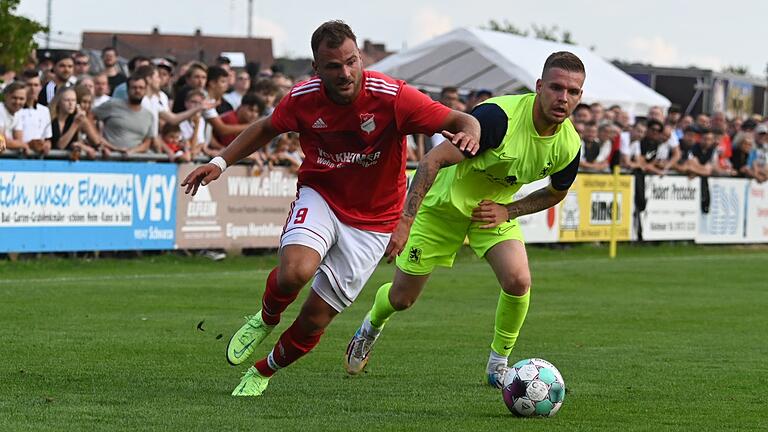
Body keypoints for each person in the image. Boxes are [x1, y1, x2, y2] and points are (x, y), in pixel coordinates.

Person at [181, 20, 480, 397]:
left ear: (360, 59)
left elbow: (461, 119)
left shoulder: (393, 96)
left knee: (313, 319)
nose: (346, 73)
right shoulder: (303, 98)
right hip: (321, 196)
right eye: (334, 66)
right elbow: (265, 127)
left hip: (374, 223)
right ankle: (266, 317)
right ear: (316, 68)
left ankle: (263, 370)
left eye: (351, 61)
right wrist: (219, 163)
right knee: (294, 273)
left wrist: (470, 134)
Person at [343, 51, 584, 390]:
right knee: (402, 299)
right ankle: (370, 326)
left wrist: (508, 210)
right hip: (441, 208)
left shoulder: (569, 145)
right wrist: (405, 220)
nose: (563, 98)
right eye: (557, 88)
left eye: (572, 92)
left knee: (518, 281)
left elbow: (556, 192)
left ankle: (499, 365)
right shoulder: (498, 119)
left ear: (580, 97)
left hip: (490, 211)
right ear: (539, 86)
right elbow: (431, 161)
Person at [92, 75, 155, 154]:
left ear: (145, 90)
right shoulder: (113, 105)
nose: (137, 90)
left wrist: (132, 151)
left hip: (136, 160)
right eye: (134, 87)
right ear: (127, 90)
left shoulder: (148, 115)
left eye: (141, 88)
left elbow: (147, 143)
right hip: (109, 157)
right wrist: (98, 139)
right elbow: (89, 116)